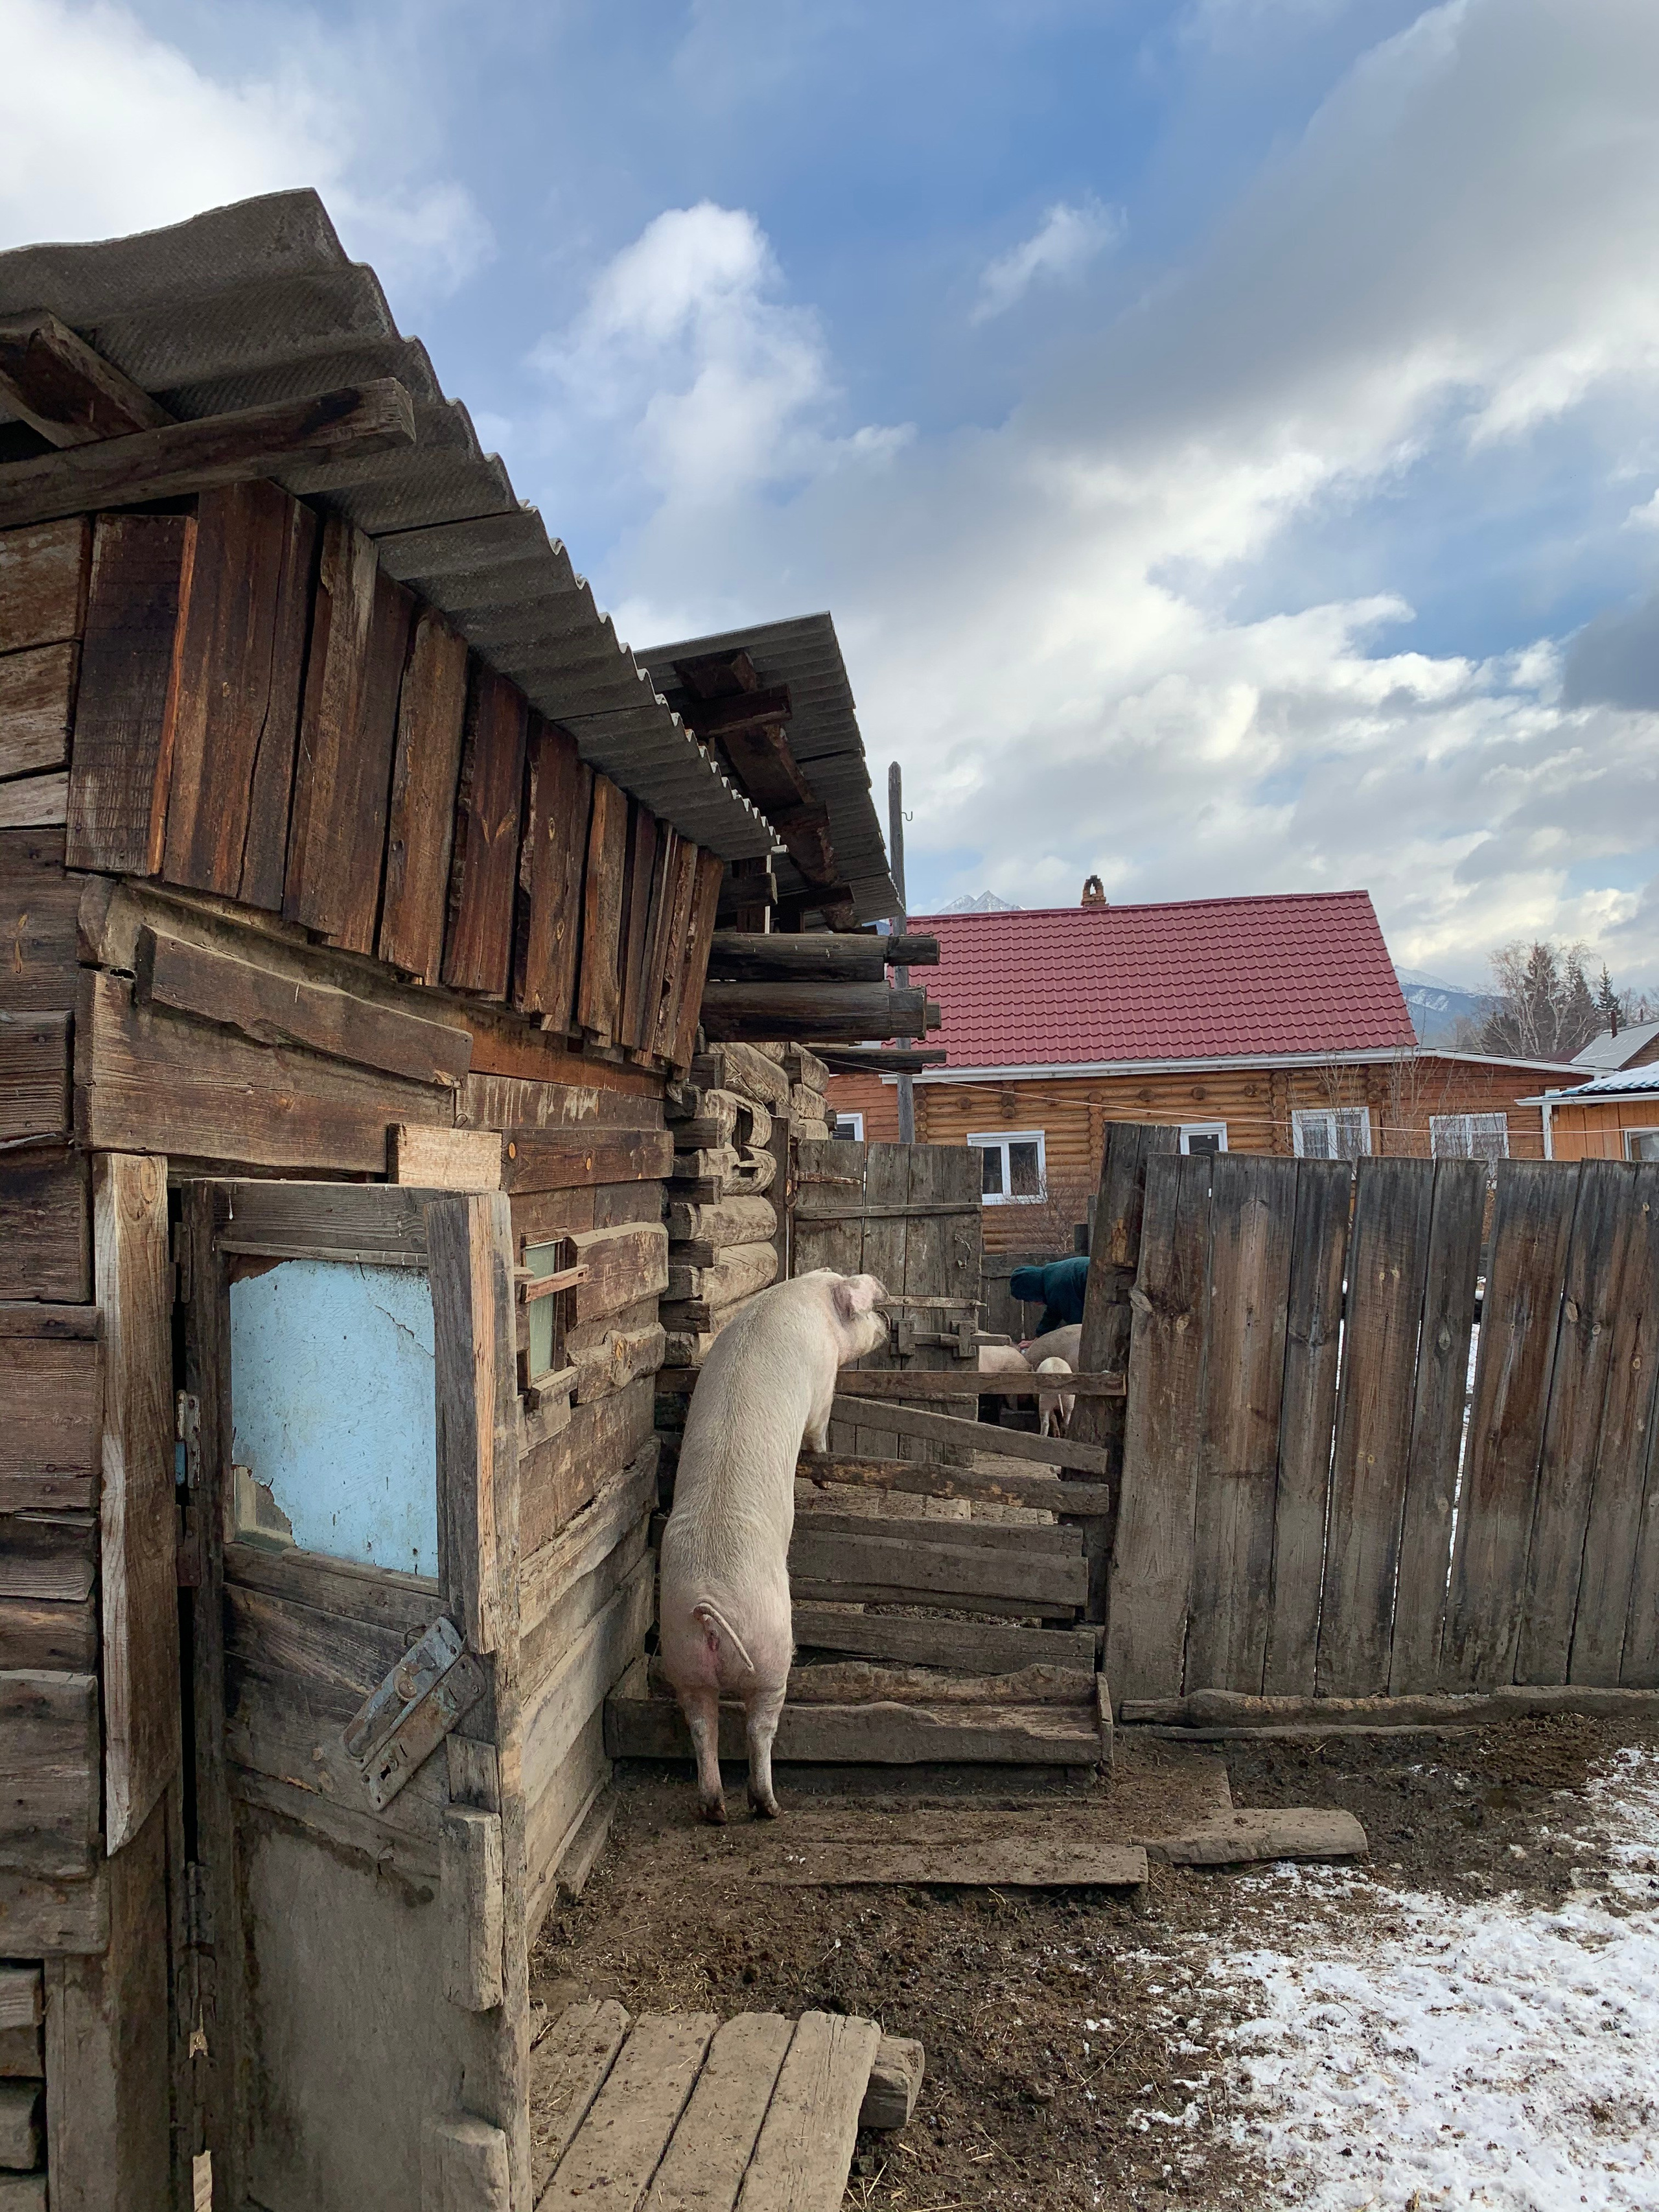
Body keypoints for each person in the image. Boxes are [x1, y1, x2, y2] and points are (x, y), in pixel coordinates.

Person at [1008, 1254, 1089, 1337]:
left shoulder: (1058, 1285)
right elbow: (1053, 1314)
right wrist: (1039, 1337)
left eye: (1031, 1299)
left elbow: (1077, 1325)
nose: (1036, 1303)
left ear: (1033, 1290)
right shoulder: (1051, 1275)